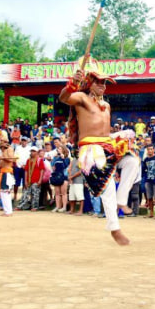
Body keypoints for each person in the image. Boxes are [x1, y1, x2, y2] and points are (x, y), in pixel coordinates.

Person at [59, 69, 130, 245]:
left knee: (133, 162)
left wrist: (120, 136)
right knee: (108, 186)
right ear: (89, 83)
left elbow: (105, 131)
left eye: (104, 83)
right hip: (90, 148)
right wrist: (72, 84)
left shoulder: (106, 105)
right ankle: (115, 228)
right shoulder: (81, 99)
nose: (102, 86)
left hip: (106, 144)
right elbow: (64, 98)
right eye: (98, 82)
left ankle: (121, 202)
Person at [0, 136, 16, 216]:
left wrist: (2, 157)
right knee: (2, 192)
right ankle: (6, 210)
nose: (1, 142)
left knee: (5, 191)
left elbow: (11, 159)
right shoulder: (3, 151)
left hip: (7, 172)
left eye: (3, 141)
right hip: (2, 172)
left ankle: (9, 211)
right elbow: (0, 165)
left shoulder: (9, 149)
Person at [17, 146, 44, 211]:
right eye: (31, 151)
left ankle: (34, 207)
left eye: (33, 151)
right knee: (25, 193)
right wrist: (25, 181)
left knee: (35, 194)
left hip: (36, 180)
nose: (32, 152)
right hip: (29, 180)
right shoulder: (28, 160)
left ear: (37, 152)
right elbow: (26, 171)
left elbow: (42, 170)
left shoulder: (39, 160)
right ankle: (21, 206)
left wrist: (40, 180)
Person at [142, 144, 155, 218]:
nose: (149, 150)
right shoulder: (146, 159)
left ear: (154, 150)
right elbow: (144, 169)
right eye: (148, 149)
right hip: (148, 179)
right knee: (149, 197)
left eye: (151, 149)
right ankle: (151, 212)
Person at [50, 145, 70, 213]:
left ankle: (64, 207)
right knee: (57, 193)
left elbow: (66, 166)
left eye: (60, 149)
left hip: (64, 176)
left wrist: (63, 158)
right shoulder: (56, 158)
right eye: (58, 149)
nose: (59, 150)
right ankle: (58, 206)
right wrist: (54, 158)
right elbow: (52, 166)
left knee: (63, 193)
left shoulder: (67, 158)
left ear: (64, 150)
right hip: (56, 176)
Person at [67, 149, 85, 215]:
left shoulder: (82, 160)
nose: (76, 153)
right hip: (72, 181)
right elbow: (69, 169)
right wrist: (70, 177)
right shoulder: (73, 160)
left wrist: (71, 177)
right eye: (76, 152)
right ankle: (72, 210)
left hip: (79, 181)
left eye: (78, 152)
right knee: (71, 196)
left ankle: (80, 211)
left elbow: (80, 171)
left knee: (80, 196)